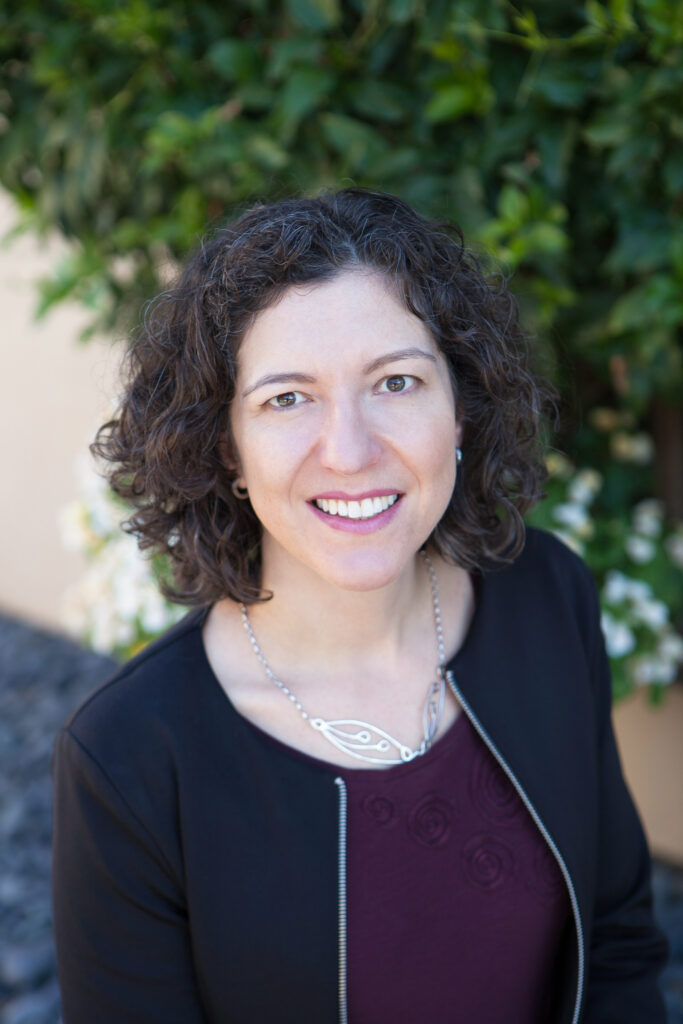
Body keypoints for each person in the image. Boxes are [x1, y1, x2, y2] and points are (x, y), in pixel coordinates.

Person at [51, 188, 668, 1024]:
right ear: (225, 447)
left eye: (397, 382)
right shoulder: (130, 759)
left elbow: (617, 937)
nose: (349, 451)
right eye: (286, 398)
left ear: (460, 407)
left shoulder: (543, 598)